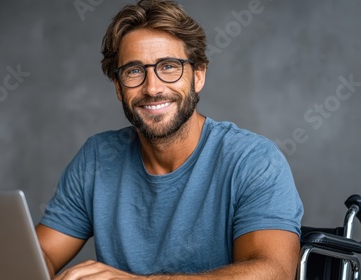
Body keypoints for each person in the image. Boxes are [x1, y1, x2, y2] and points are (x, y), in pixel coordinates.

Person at [36, 0, 304, 279]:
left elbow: (273, 271)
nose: (152, 88)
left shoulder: (254, 161)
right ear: (118, 88)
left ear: (198, 76)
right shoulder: (97, 157)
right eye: (134, 71)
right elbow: (40, 255)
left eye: (169, 67)